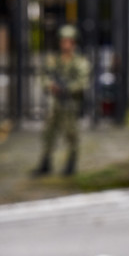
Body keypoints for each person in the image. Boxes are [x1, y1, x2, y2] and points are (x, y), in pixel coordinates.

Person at [32, 24, 91, 177]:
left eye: (68, 41)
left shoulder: (80, 62)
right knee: (49, 133)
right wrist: (50, 85)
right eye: (62, 41)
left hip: (70, 103)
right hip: (56, 103)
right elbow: (44, 76)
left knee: (71, 134)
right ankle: (45, 163)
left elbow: (83, 83)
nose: (64, 44)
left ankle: (71, 164)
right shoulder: (54, 60)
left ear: (73, 43)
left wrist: (67, 89)